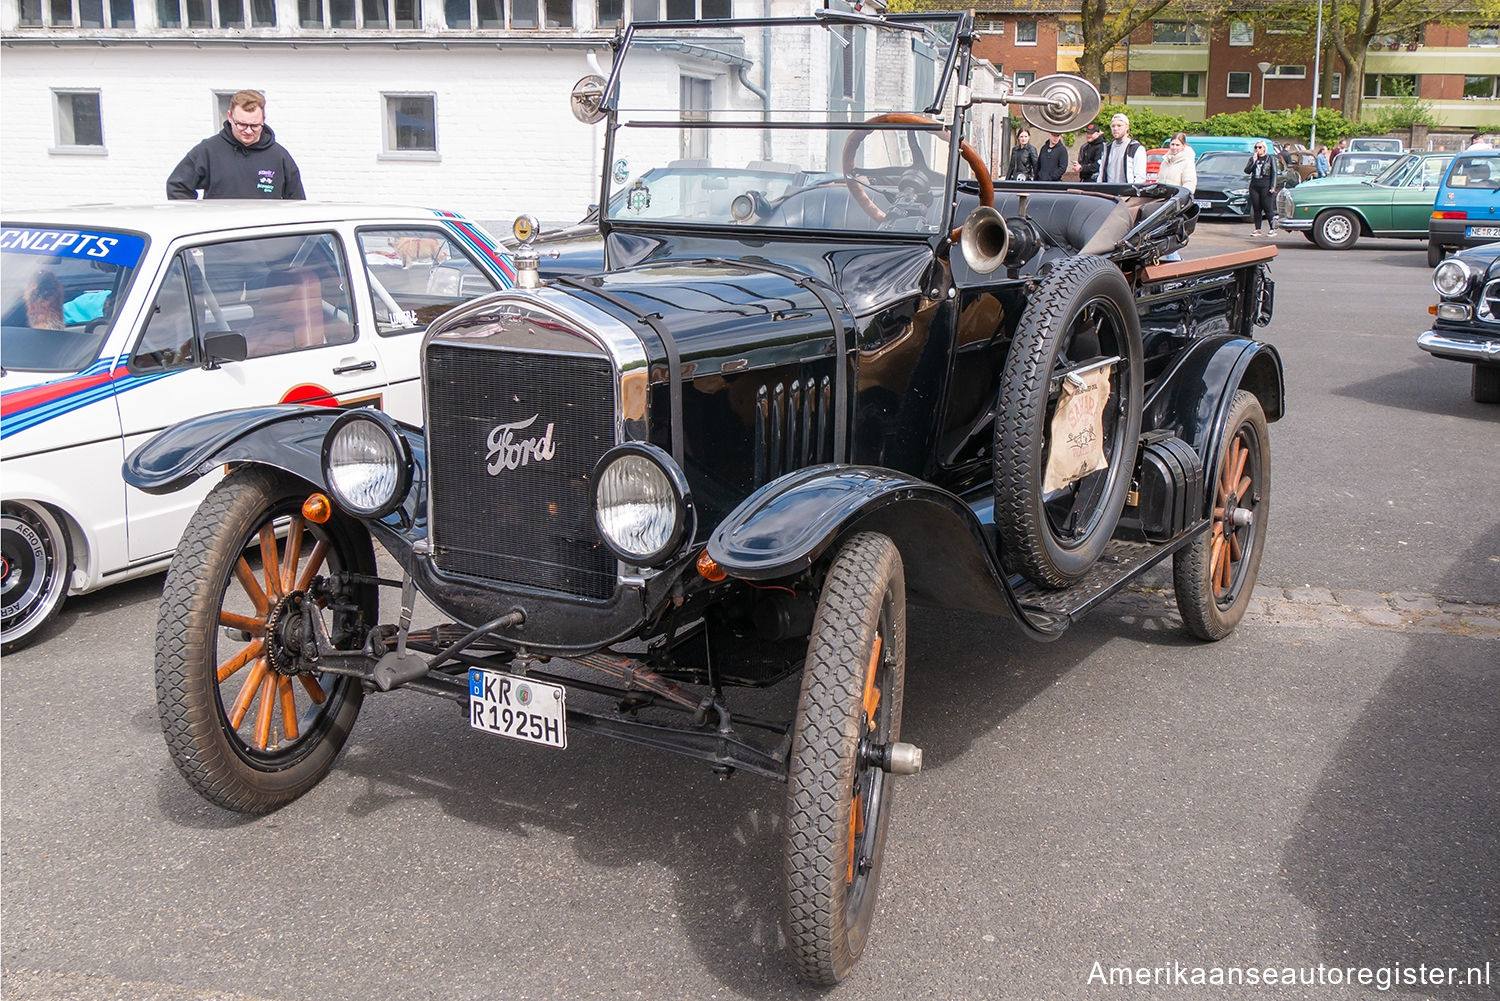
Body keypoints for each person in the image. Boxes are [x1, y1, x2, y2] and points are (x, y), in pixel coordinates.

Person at [167, 90, 306, 200]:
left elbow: (297, 203)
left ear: (263, 119)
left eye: (255, 125)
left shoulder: (279, 156)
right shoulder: (208, 151)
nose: (248, 130)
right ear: (229, 117)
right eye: (242, 124)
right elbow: (177, 187)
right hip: (221, 233)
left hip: (264, 234)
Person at [1157, 134, 1197, 262]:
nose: (1174, 147)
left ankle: (1175, 263)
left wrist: (1181, 202)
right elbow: (1160, 181)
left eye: (1177, 145)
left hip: (1176, 205)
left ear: (1183, 146)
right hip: (1163, 203)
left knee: (1171, 236)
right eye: (1172, 144)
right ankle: (1172, 261)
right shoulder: (1166, 161)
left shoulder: (1187, 162)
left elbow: (1189, 184)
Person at [1098, 112, 1147, 184]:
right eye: (1113, 126)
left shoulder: (1135, 148)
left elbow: (1140, 178)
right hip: (1108, 192)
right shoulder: (1107, 148)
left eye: (1119, 125)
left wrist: (1132, 192)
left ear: (1127, 127)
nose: (1115, 128)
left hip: (1126, 193)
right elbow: (1101, 173)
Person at [1244, 141, 1278, 237]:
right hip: (1254, 185)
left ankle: (1273, 228)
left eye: (1259, 147)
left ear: (1264, 148)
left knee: (1268, 208)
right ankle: (1257, 229)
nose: (1257, 149)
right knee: (1257, 208)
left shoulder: (1270, 158)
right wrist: (1253, 161)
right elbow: (1247, 171)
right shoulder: (1253, 158)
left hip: (1265, 184)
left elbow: (1274, 173)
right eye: (1256, 147)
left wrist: (1273, 187)